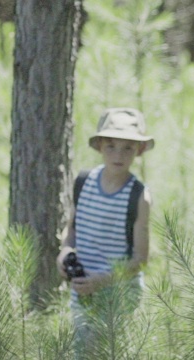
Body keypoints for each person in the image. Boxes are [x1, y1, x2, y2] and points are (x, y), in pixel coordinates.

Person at [56, 107, 154, 356]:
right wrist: (65, 251)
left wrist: (101, 281)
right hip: (83, 288)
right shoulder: (83, 181)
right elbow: (73, 229)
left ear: (139, 150)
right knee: (81, 350)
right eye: (111, 146)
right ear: (99, 145)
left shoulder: (138, 196)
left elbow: (140, 261)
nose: (118, 155)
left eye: (127, 148)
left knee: (103, 351)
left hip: (118, 293)